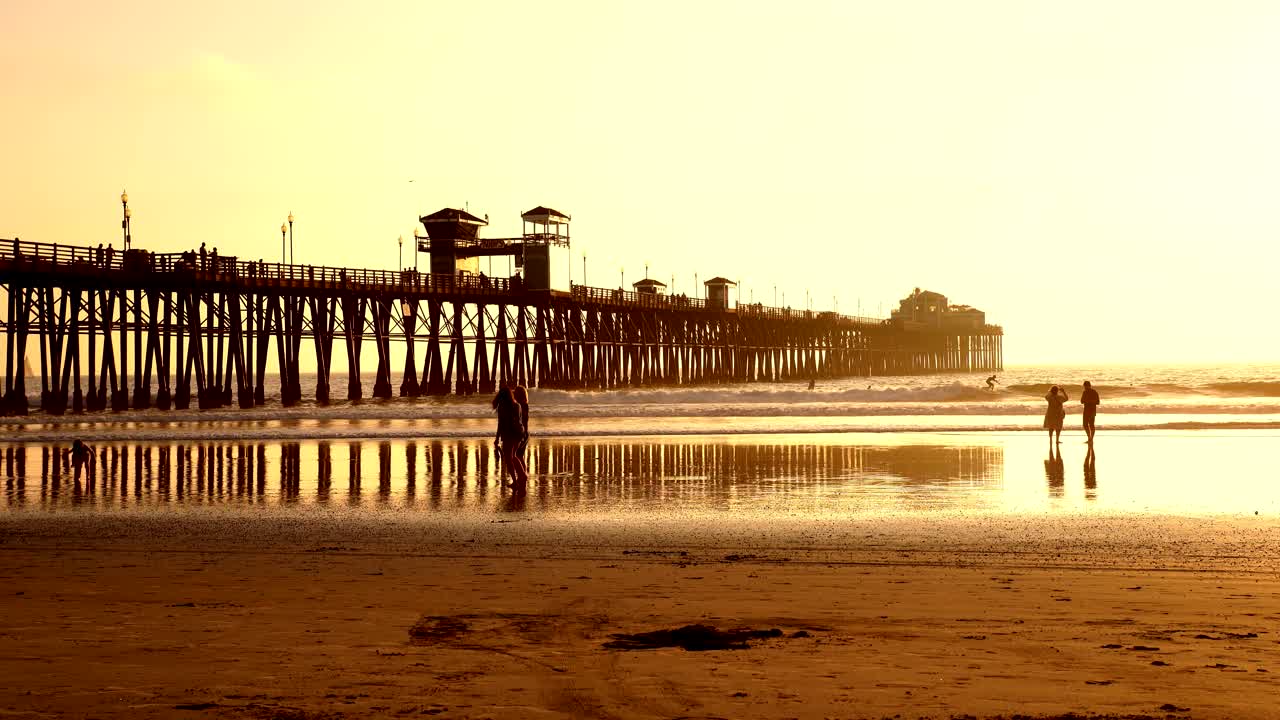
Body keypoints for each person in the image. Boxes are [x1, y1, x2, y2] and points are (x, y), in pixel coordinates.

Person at [492, 384, 527, 487]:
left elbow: (500, 423)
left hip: (509, 434)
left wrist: (497, 438)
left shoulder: (503, 407)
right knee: (514, 456)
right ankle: (521, 476)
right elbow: (520, 421)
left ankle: (517, 480)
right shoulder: (517, 405)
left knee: (509, 458)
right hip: (519, 433)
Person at [511, 384, 530, 462]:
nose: (514, 393)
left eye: (515, 392)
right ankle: (523, 473)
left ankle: (522, 473)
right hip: (524, 433)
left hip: (521, 434)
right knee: (520, 456)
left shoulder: (519, 406)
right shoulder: (525, 405)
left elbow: (523, 421)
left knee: (516, 456)